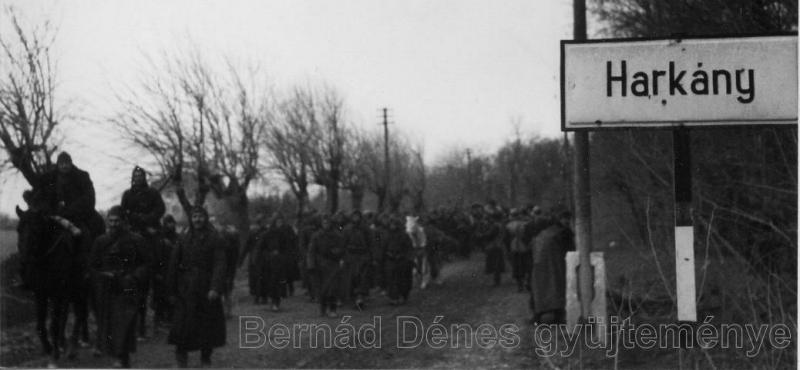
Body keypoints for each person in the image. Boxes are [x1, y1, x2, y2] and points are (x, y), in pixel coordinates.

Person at [89, 206, 149, 368]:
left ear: (124, 221)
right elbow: (93, 266)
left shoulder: (137, 240)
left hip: (128, 288)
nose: (114, 224)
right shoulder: (100, 241)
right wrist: (102, 276)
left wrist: (134, 277)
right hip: (107, 289)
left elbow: (146, 264)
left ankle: (122, 359)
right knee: (109, 327)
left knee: (125, 324)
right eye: (111, 221)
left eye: (117, 221)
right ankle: (118, 358)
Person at [167, 207, 227, 368]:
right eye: (194, 216)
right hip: (185, 288)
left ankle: (205, 358)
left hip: (206, 287)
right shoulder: (184, 237)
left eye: (200, 216)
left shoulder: (215, 238)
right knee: (182, 325)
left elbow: (219, 264)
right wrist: (171, 289)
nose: (197, 219)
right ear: (191, 219)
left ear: (205, 218)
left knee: (207, 326)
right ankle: (181, 358)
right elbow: (173, 263)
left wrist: (215, 287)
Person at [120, 166, 165, 338]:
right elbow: (123, 211)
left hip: (149, 230)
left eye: (140, 175)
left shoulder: (153, 193)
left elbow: (160, 209)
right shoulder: (127, 194)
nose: (137, 178)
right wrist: (132, 220)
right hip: (133, 230)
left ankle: (159, 274)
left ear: (144, 177)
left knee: (158, 252)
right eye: (135, 175)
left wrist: (147, 219)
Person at [530, 210, 575, 325]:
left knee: (542, 288)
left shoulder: (545, 232)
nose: (567, 221)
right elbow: (571, 250)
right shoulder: (564, 232)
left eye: (568, 219)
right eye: (565, 218)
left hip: (541, 264)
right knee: (558, 286)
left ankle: (539, 315)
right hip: (555, 264)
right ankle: (558, 315)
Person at [308, 215, 348, 318]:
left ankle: (332, 309)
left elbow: (342, 248)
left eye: (328, 222)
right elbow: (311, 251)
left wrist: (337, 253)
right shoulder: (316, 236)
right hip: (320, 265)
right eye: (324, 223)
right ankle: (323, 308)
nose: (326, 225)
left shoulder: (337, 235)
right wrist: (311, 264)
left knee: (333, 288)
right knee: (322, 289)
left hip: (333, 264)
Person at [343, 211, 374, 309]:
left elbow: (371, 243)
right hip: (351, 256)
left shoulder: (366, 229)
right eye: (354, 216)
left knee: (362, 278)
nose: (355, 218)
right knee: (352, 278)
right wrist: (344, 256)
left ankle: (360, 298)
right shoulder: (347, 229)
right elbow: (343, 243)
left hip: (363, 256)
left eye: (357, 216)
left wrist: (370, 256)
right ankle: (353, 298)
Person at [152, 215, 177, 327]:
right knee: (159, 296)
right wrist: (157, 272)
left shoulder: (178, 237)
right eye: (168, 223)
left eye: (172, 222)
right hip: (161, 271)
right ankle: (159, 319)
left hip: (173, 271)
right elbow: (155, 256)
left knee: (172, 295)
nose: (170, 225)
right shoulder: (159, 238)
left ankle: (170, 318)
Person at [383, 216, 414, 305]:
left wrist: (407, 258)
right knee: (390, 279)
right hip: (390, 259)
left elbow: (409, 248)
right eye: (391, 224)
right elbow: (383, 248)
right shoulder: (387, 235)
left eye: (394, 224)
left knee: (402, 279)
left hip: (401, 260)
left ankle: (402, 295)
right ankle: (393, 297)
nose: (392, 226)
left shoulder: (404, 235)